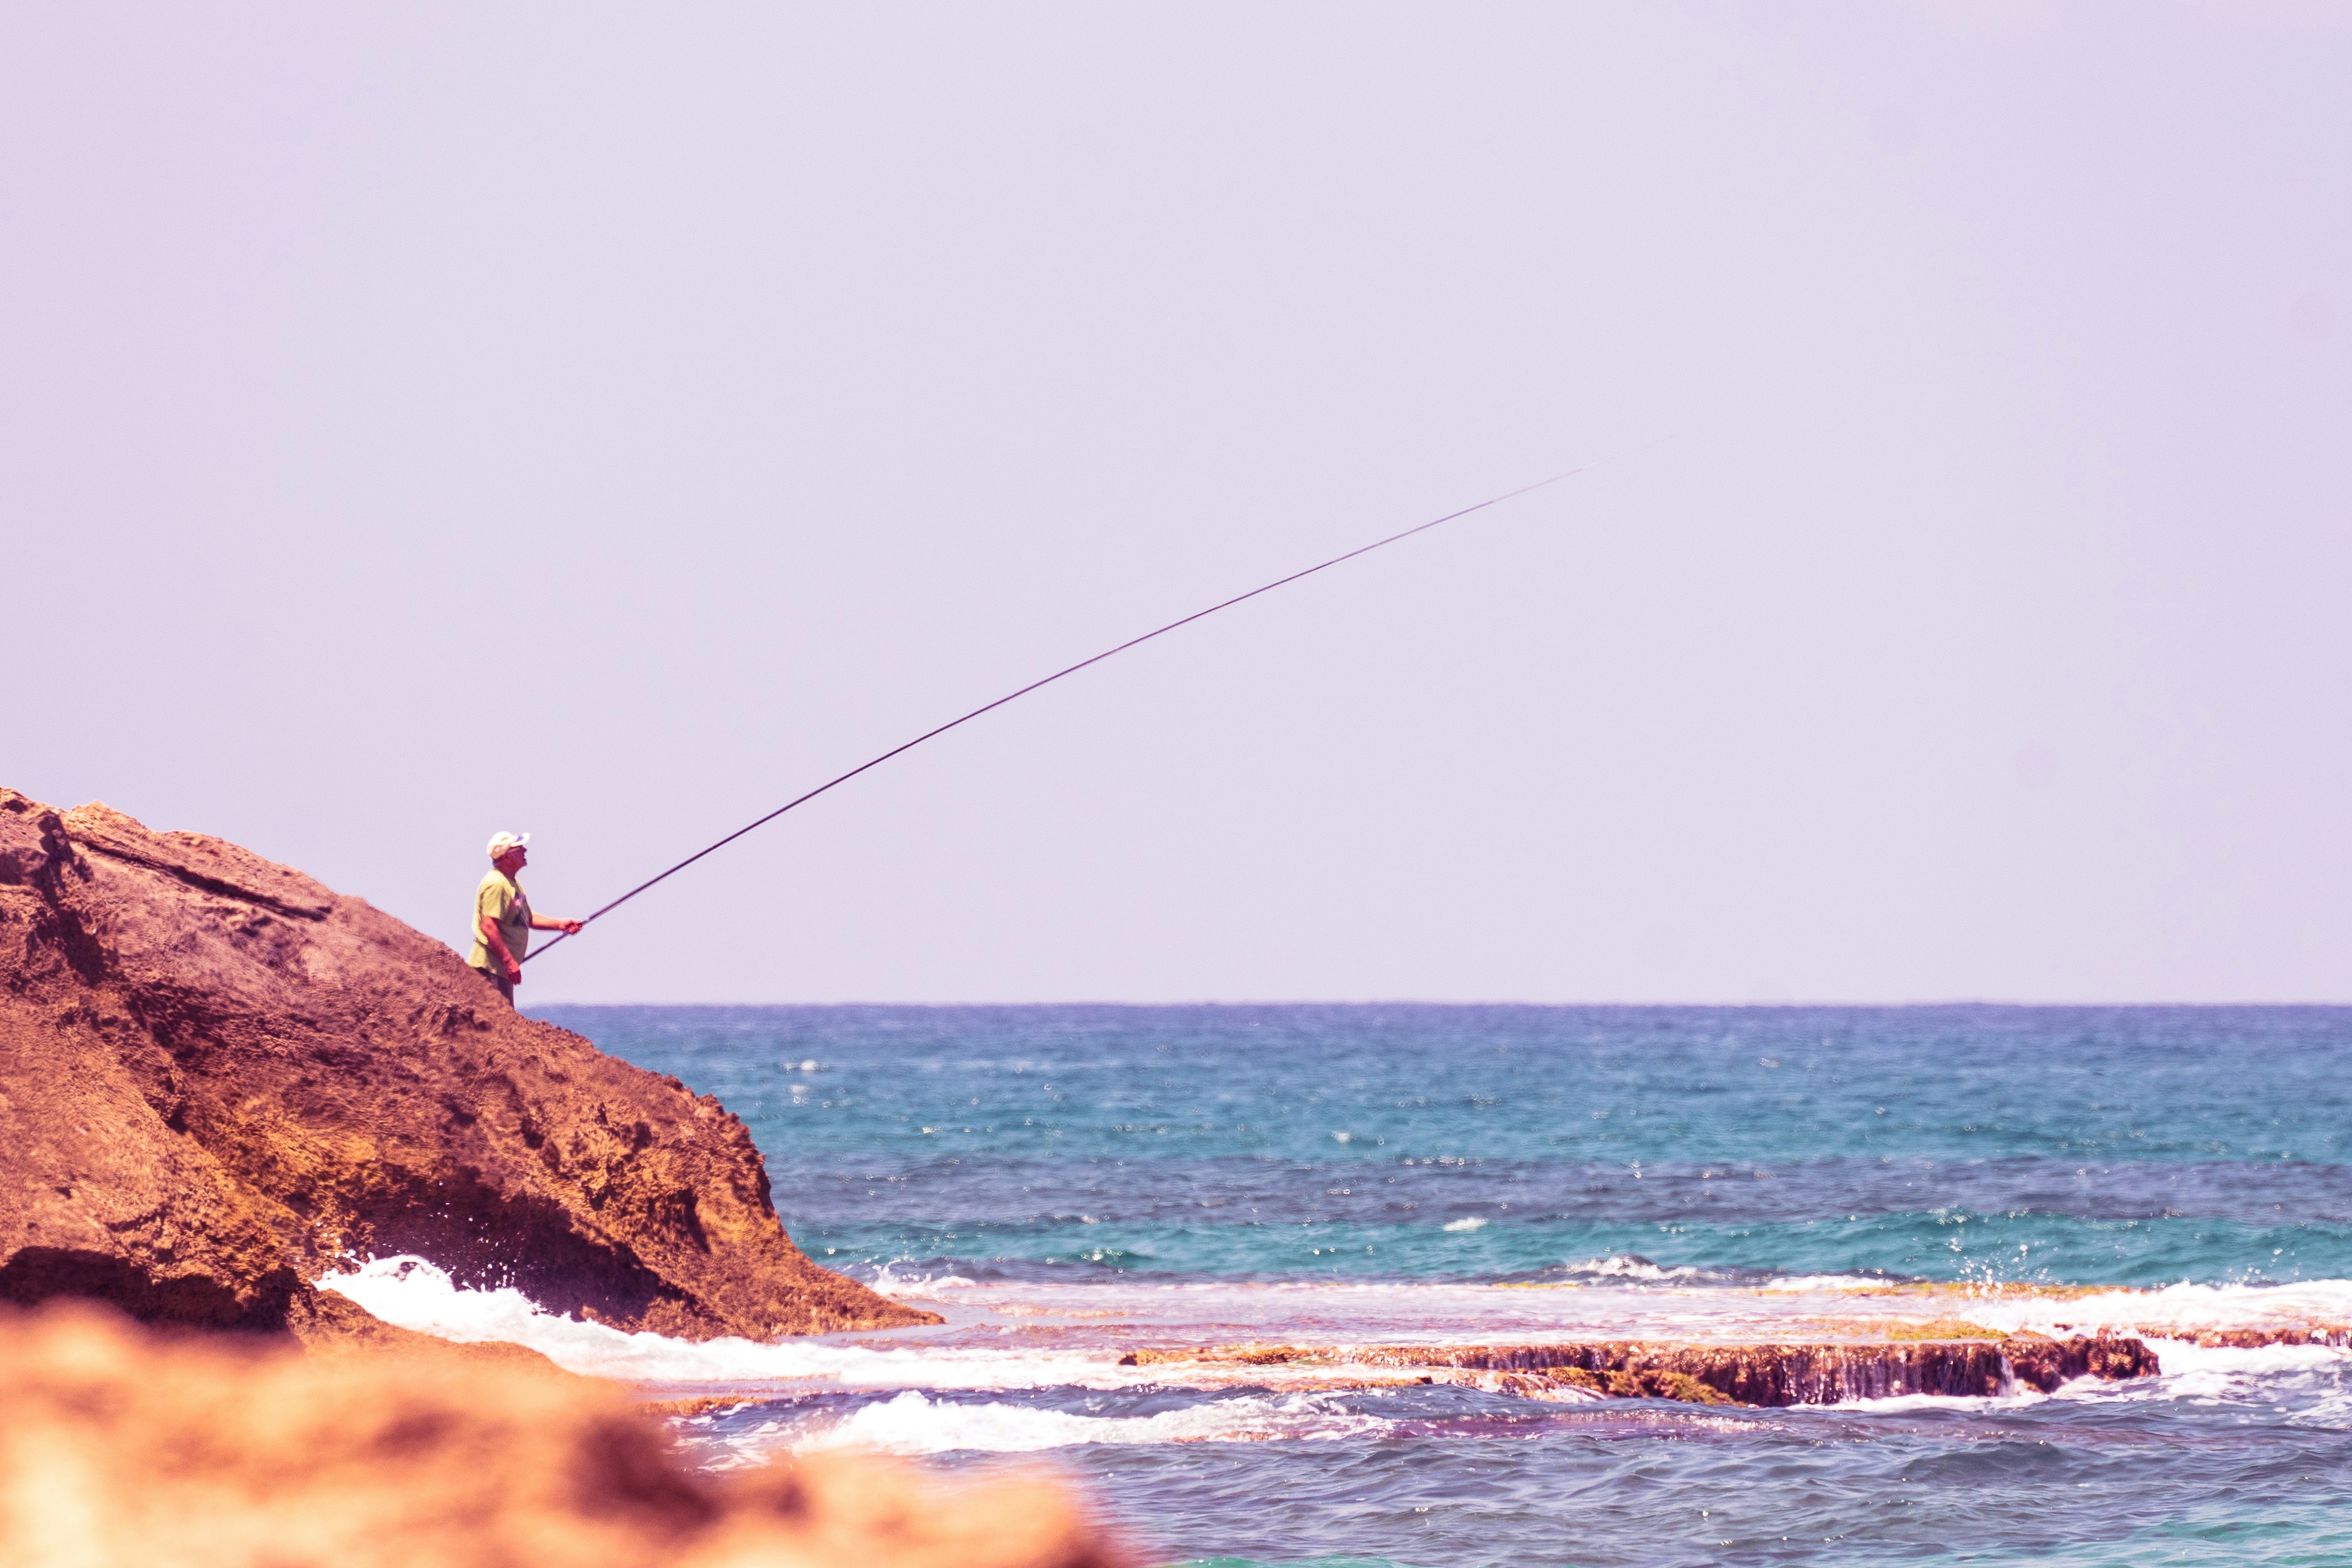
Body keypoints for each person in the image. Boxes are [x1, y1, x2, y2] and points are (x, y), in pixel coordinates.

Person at [467, 832, 583, 1004]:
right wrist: (509, 962)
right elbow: (488, 926)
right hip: (489, 970)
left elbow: (527, 918)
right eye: (519, 848)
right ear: (506, 856)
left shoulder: (511, 882)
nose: (525, 850)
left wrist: (561, 924)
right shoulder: (497, 884)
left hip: (500, 971)